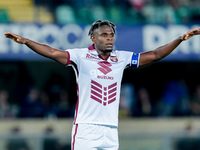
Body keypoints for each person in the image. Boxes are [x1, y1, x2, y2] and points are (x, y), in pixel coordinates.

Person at [4, 20, 200, 150]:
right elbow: (53, 52)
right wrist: (27, 41)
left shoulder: (120, 58)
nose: (109, 38)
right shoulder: (80, 56)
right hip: (86, 128)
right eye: (105, 35)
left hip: (110, 129)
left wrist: (180, 39)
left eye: (112, 35)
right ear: (93, 38)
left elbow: (155, 55)